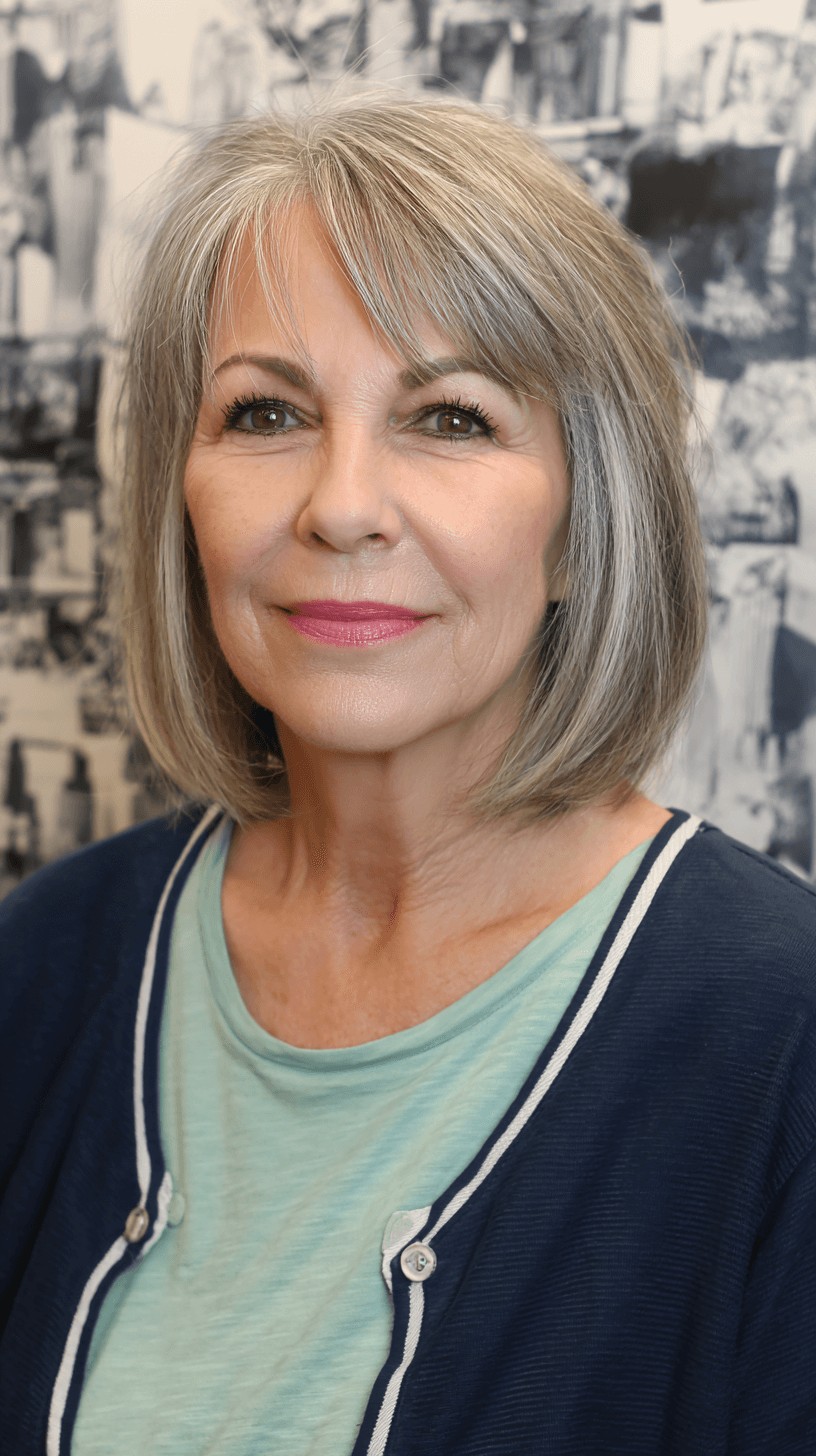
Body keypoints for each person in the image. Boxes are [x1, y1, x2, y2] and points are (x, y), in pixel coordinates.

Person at [1, 86, 815, 1456]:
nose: (341, 506)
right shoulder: (46, 963)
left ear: (584, 521)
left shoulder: (780, 1038)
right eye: (266, 413)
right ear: (182, 492)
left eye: (451, 419)